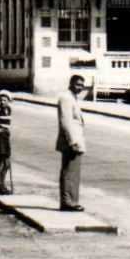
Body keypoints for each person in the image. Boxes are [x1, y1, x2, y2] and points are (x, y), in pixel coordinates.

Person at [56, 75, 87, 211]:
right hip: (72, 142)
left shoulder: (72, 98)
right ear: (70, 84)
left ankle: (71, 201)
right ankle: (68, 202)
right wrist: (72, 142)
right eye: (77, 84)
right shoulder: (66, 99)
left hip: (75, 140)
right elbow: (66, 121)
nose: (79, 87)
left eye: (82, 85)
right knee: (69, 172)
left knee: (73, 172)